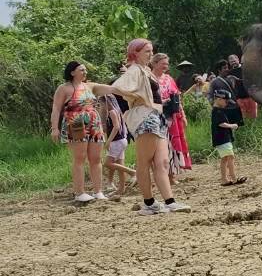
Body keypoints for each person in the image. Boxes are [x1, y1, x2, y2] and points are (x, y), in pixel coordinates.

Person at [112, 39, 190, 215]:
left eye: (151, 51)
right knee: (144, 162)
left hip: (157, 116)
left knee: (162, 163)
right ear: (136, 52)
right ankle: (149, 202)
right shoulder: (134, 70)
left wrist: (163, 103)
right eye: (147, 51)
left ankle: (169, 201)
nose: (150, 54)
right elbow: (118, 87)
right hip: (145, 118)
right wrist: (139, 99)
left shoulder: (146, 70)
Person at [49, 61, 117, 203]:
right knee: (79, 157)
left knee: (96, 158)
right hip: (75, 123)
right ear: (72, 72)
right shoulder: (64, 88)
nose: (85, 72)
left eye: (85, 70)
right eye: (81, 70)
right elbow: (56, 108)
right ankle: (79, 192)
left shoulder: (90, 86)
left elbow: (112, 88)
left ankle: (98, 191)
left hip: (94, 122)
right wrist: (54, 128)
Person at [152, 53, 192, 178]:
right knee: (163, 146)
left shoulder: (169, 78)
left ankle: (172, 174)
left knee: (173, 144)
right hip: (157, 115)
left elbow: (177, 97)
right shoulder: (150, 79)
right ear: (155, 63)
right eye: (163, 63)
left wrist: (183, 114)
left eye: (167, 64)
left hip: (172, 115)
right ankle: (164, 175)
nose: (166, 66)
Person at [99, 93, 135, 197]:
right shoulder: (117, 111)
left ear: (106, 102)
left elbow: (116, 127)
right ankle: (121, 188)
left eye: (101, 104)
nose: (101, 106)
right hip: (120, 140)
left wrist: (108, 141)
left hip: (116, 141)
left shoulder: (112, 112)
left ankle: (132, 172)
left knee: (107, 163)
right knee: (120, 165)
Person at [210, 86, 246, 186]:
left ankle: (224, 179)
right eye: (225, 101)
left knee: (225, 158)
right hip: (223, 139)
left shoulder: (218, 110)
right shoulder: (217, 111)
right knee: (230, 157)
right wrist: (232, 126)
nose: (226, 103)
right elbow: (221, 124)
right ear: (219, 99)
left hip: (222, 139)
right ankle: (234, 178)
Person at [227, 53, 258, 121]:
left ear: (238, 59)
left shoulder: (246, 68)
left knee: (253, 117)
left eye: (234, 61)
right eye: (231, 62)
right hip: (238, 98)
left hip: (250, 96)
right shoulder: (229, 73)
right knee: (242, 118)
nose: (233, 63)